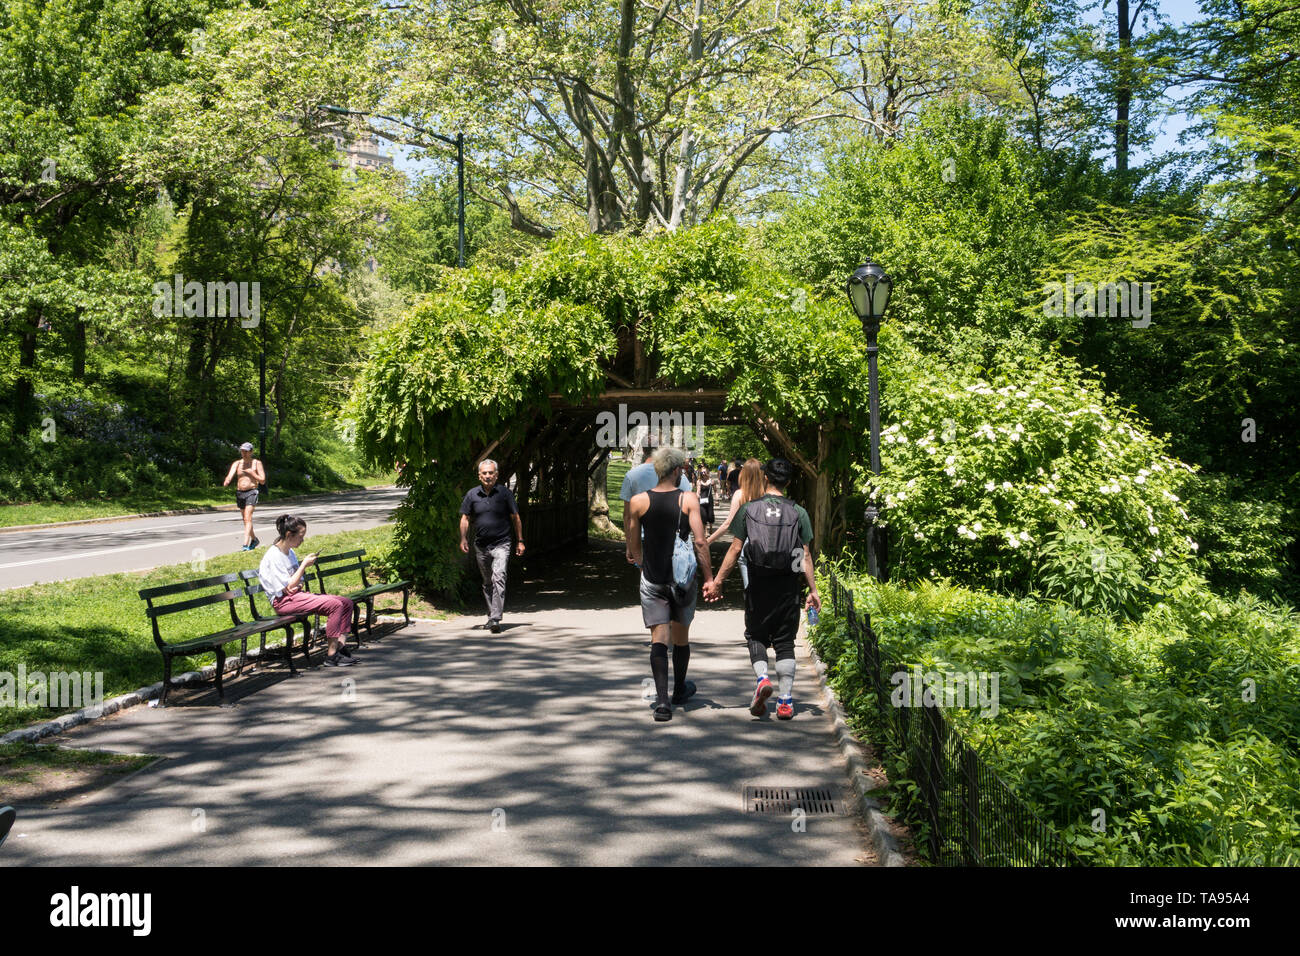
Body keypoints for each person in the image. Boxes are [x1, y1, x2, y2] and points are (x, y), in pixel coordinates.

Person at [703, 458, 821, 720]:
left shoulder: (749, 510)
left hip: (757, 583)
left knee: (755, 635)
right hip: (787, 586)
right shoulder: (798, 512)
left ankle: (762, 680)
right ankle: (786, 701)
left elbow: (735, 549)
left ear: (766, 478)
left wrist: (718, 581)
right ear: (788, 482)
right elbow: (805, 555)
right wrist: (812, 589)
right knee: (784, 642)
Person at [625, 446, 714, 722]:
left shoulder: (639, 501)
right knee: (681, 637)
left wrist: (641, 562)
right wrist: (710, 577)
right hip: (682, 579)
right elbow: (700, 541)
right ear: (677, 471)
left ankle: (662, 703)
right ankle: (679, 691)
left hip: (653, 577)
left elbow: (632, 541)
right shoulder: (688, 499)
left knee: (658, 639)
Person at [259, 514, 358, 666]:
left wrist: (296, 585)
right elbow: (288, 588)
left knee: (346, 603)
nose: (302, 540)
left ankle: (340, 647)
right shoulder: (273, 556)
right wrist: (304, 565)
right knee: (335, 605)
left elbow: (294, 583)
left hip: (295, 596)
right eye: (300, 536)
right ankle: (332, 656)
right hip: (282, 602)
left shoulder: (289, 552)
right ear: (288, 534)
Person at [459, 459, 525, 633]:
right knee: (488, 582)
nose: (488, 476)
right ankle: (491, 615)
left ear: (496, 475)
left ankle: (495, 618)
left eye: (491, 473)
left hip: (502, 543)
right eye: (484, 473)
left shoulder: (505, 494)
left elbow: (515, 517)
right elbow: (465, 518)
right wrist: (463, 538)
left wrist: (520, 540)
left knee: (499, 577)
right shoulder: (472, 495)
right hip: (481, 545)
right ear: (479, 475)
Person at [706, 458, 764, 585]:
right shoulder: (766, 495)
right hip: (768, 545)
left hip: (749, 545)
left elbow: (728, 523)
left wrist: (708, 541)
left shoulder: (740, 495)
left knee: (751, 591)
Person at [222, 442, 265, 551]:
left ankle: (245, 544)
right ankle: (254, 539)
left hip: (252, 491)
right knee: (245, 520)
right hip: (240, 493)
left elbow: (263, 480)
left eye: (246, 451)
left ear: (251, 452)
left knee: (247, 517)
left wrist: (253, 473)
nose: (244, 453)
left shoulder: (256, 463)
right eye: (242, 451)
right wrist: (227, 481)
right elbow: (230, 475)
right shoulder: (237, 463)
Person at [696, 468, 716, 535]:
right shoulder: (699, 481)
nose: (703, 473)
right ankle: (706, 531)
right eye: (702, 472)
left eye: (704, 472)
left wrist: (717, 497)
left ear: (707, 472)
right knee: (703, 516)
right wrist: (697, 495)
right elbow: (698, 491)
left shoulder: (711, 481)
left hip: (709, 500)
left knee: (710, 516)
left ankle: (710, 528)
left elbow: (715, 491)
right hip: (702, 501)